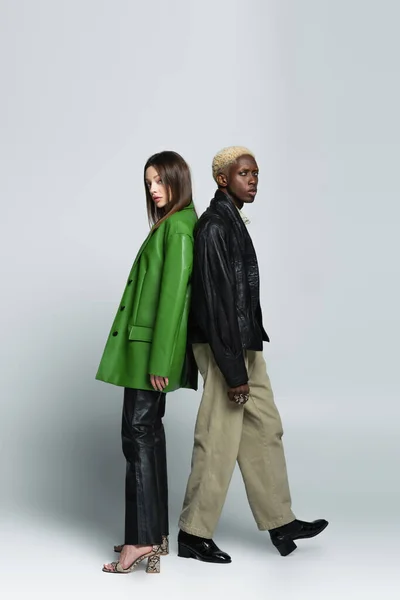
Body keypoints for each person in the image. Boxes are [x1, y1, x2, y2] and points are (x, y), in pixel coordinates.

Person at [177, 146, 328, 563]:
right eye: (244, 173)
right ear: (222, 179)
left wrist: (244, 355)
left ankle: (281, 520)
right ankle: (193, 533)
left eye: (256, 173)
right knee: (219, 438)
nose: (253, 180)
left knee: (265, 428)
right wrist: (232, 371)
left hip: (243, 344)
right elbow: (214, 303)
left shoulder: (231, 221)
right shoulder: (213, 227)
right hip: (223, 347)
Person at [96, 150, 198, 574]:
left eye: (160, 181)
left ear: (178, 179)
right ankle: (154, 535)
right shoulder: (176, 223)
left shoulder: (176, 228)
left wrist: (161, 360)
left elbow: (174, 301)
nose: (154, 190)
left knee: (136, 435)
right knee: (148, 436)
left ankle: (139, 541)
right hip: (150, 350)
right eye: (149, 183)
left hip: (150, 352)